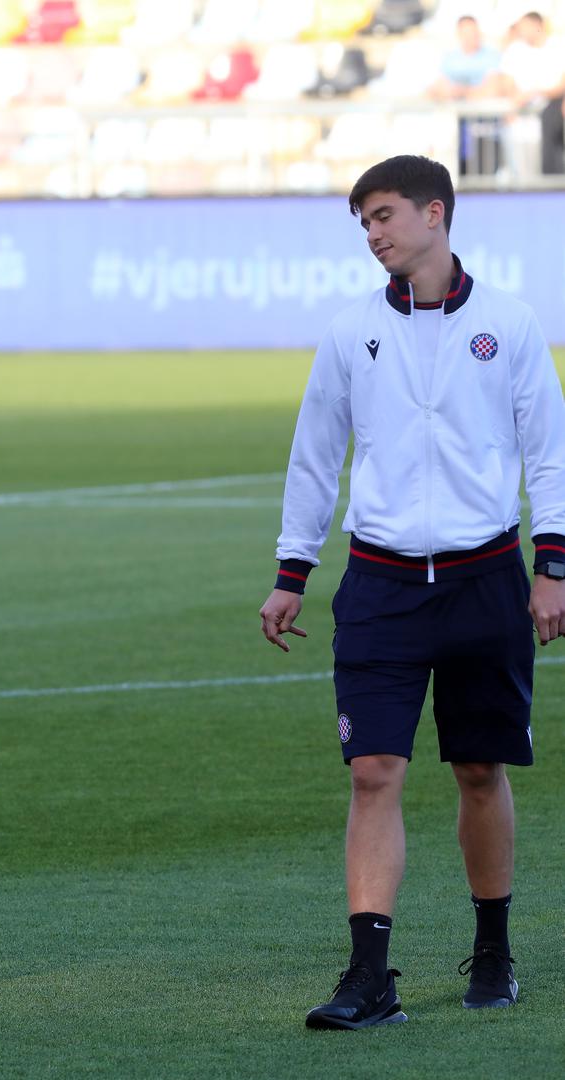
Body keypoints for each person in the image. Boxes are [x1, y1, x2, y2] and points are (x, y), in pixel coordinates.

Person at [259, 155, 565, 1030]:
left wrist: (551, 567)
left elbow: (545, 452)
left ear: (435, 213)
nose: (373, 233)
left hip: (483, 581)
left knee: (478, 769)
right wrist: (292, 573)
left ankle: (494, 949)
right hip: (381, 585)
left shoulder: (507, 324)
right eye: (362, 221)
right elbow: (316, 457)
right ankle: (368, 978)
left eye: (384, 215)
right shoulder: (349, 330)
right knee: (373, 772)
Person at [430, 15, 505, 176]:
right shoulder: (450, 58)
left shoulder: (491, 56)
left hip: (483, 124)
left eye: (474, 33)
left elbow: (493, 89)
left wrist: (462, 91)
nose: (471, 38)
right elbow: (437, 89)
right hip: (456, 124)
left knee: (483, 171)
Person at [493, 11, 565, 174]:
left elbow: (561, 84)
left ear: (537, 25)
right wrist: (514, 103)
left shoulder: (557, 47)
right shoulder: (515, 50)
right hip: (519, 120)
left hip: (550, 118)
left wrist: (534, 93)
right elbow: (506, 81)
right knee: (522, 171)